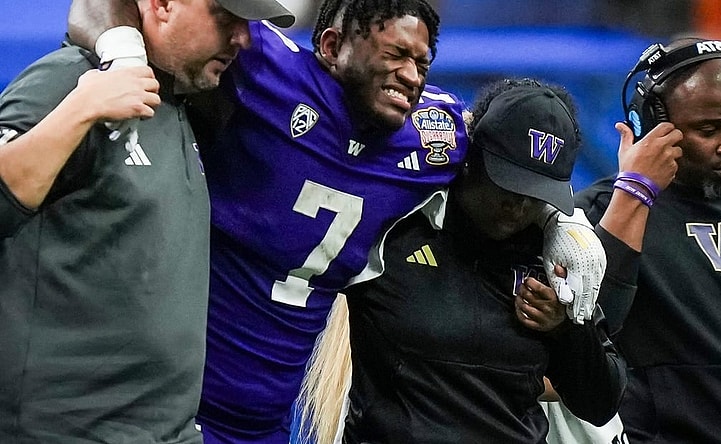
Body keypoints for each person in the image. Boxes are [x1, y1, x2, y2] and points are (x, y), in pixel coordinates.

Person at [68, 1, 607, 442]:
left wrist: (564, 221)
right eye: (395, 54)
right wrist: (123, 55)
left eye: (422, 62)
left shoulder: (434, 135)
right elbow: (99, 5)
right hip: (174, 406)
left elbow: (506, 165)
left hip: (268, 421)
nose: (410, 75)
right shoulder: (265, 71)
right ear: (329, 47)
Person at [0, 0, 295, 443]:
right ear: (162, 5)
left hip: (167, 431)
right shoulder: (67, 79)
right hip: (64, 430)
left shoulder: (183, 104)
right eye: (225, 17)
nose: (244, 38)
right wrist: (79, 107)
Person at [339, 78, 626, 443]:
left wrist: (566, 329)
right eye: (508, 183)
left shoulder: (556, 257)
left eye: (535, 193)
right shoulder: (398, 225)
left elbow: (602, 402)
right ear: (471, 159)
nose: (518, 205)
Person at [576, 37, 721, 442]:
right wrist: (634, 193)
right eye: (708, 129)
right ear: (652, 125)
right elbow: (584, 331)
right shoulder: (601, 213)